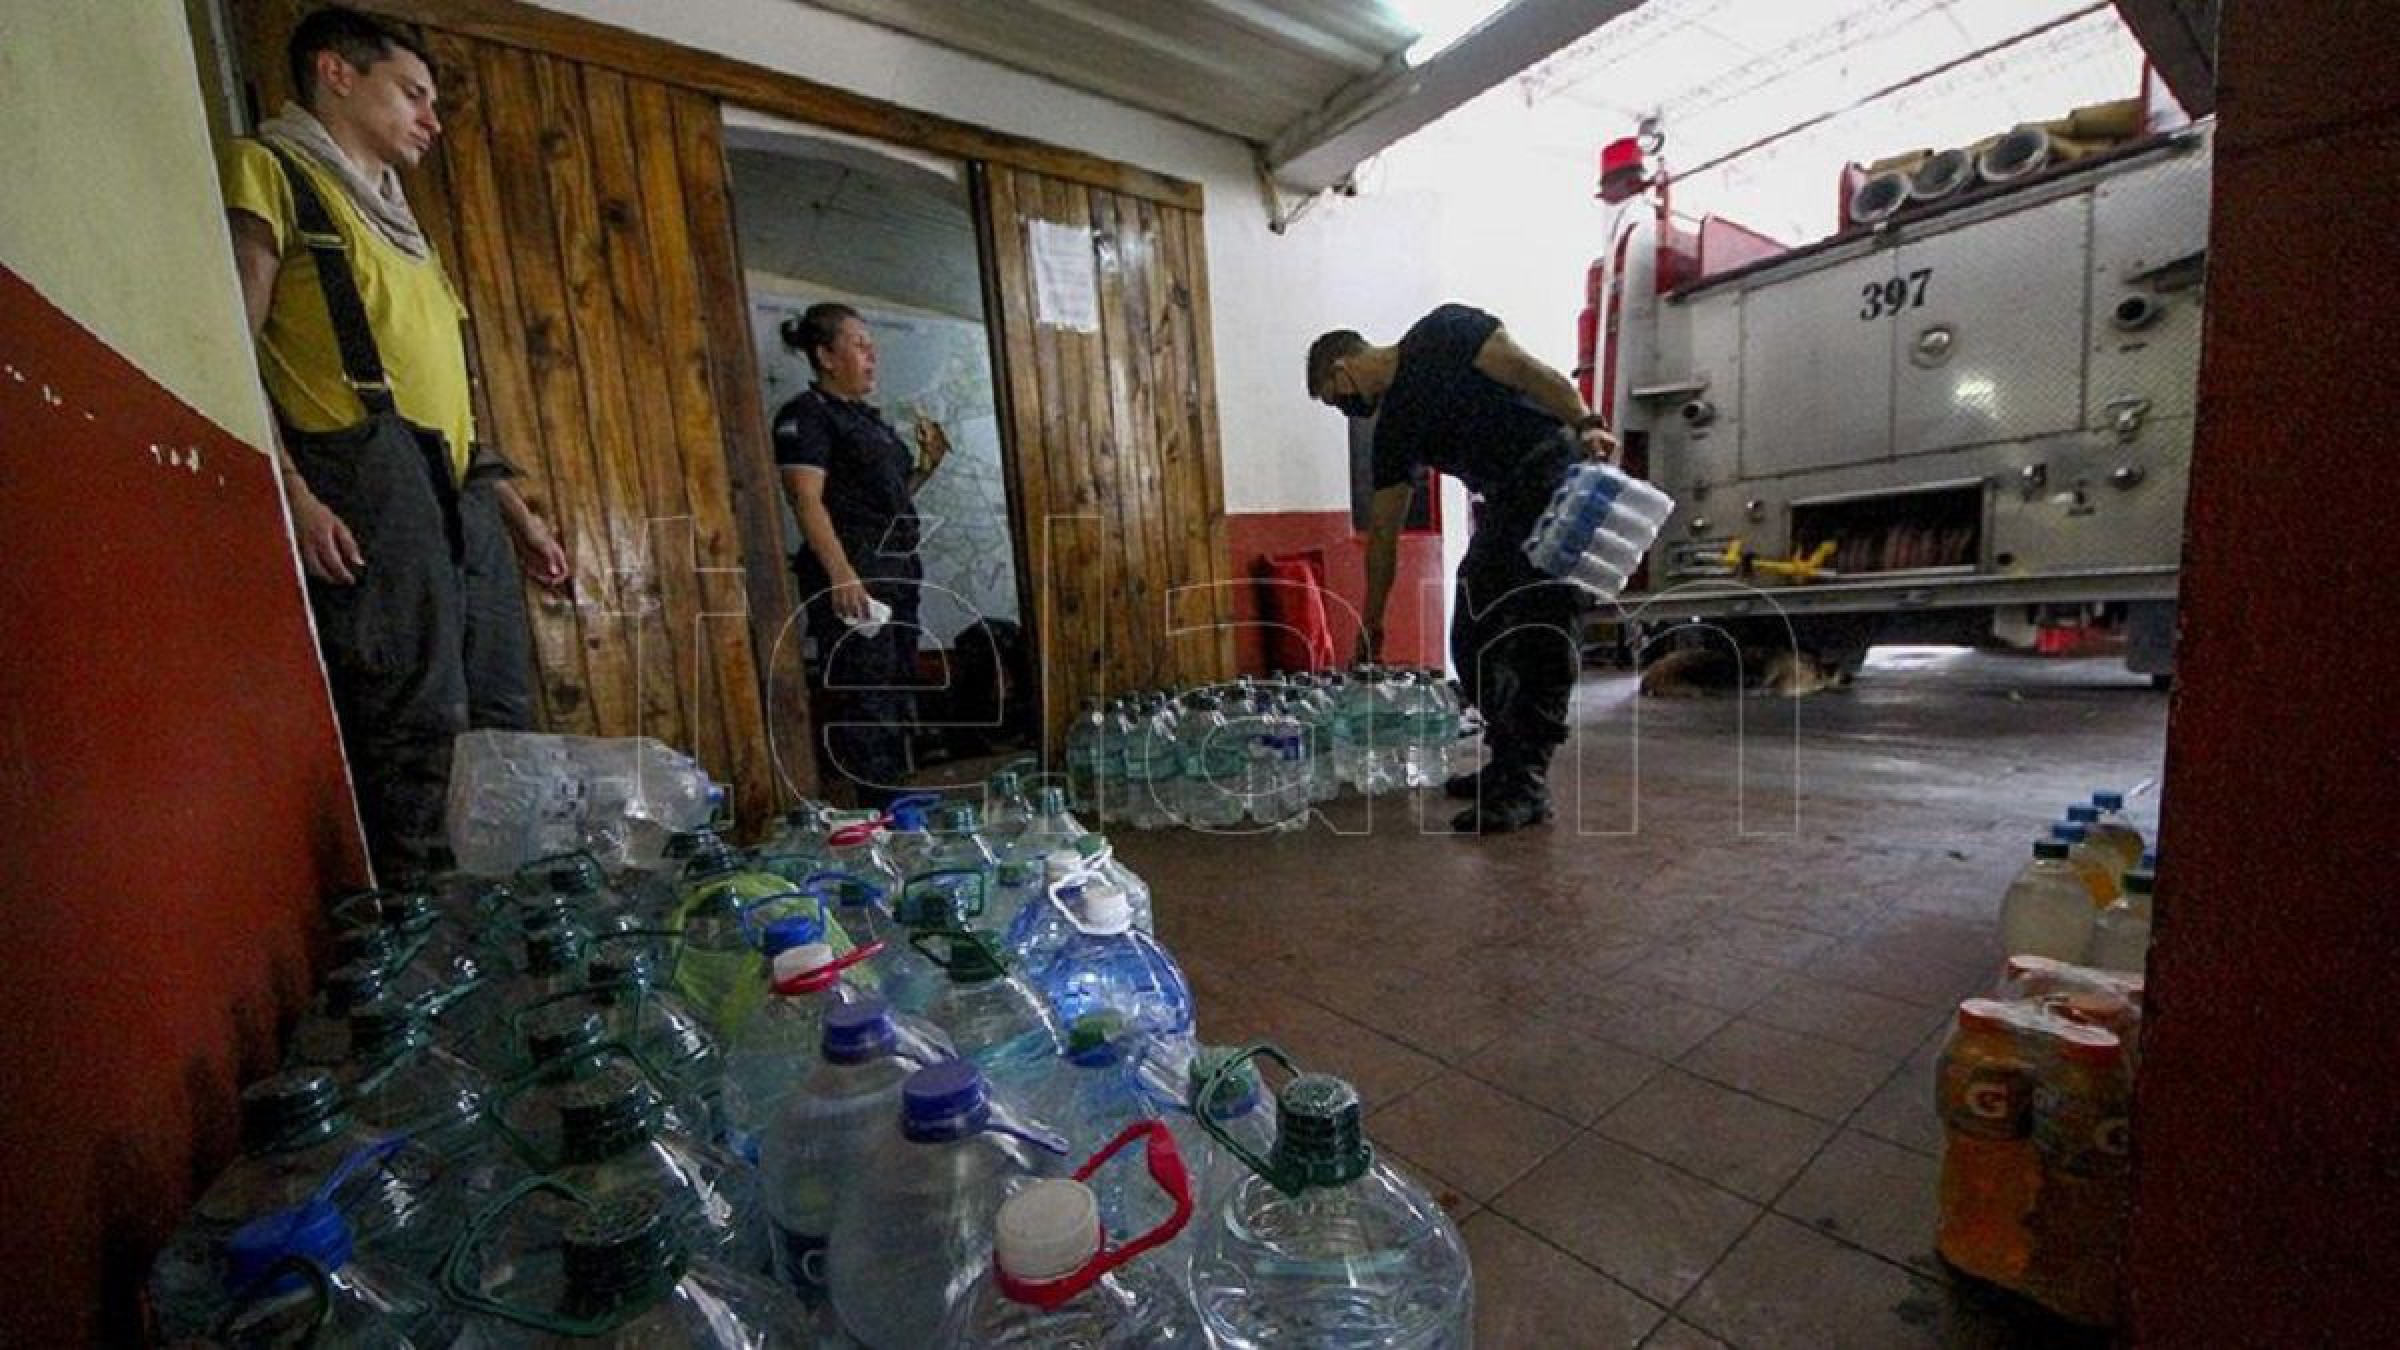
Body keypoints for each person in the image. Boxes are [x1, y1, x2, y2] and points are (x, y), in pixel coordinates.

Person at [222, 7, 570, 880]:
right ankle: (437, 945)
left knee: (499, 717)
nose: (431, 117)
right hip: (368, 485)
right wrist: (294, 493)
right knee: (422, 725)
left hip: (457, 493)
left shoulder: (406, 231)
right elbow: (230, 349)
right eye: (412, 93)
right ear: (337, 73)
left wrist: (517, 515)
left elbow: (446, 403)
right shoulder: (275, 171)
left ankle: (514, 923)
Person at [1308, 304, 1618, 833]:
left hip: (1553, 476)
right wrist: (1374, 619)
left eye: (1337, 400)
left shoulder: (1444, 333)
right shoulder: (1394, 431)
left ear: (1342, 370)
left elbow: (1531, 372)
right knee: (1472, 636)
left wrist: (1585, 422)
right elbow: (1382, 535)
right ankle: (1506, 762)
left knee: (1541, 631)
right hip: (1503, 503)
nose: (1347, 410)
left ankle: (1526, 784)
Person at [773, 304, 951, 808]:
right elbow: (806, 499)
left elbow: (889, 500)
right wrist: (842, 576)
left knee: (896, 687)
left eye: (871, 344)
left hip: (895, 575)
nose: (872, 354)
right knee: (865, 695)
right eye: (858, 344)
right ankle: (880, 810)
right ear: (826, 356)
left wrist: (926, 467)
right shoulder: (806, 416)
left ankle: (897, 802)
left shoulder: (866, 421)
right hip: (857, 578)